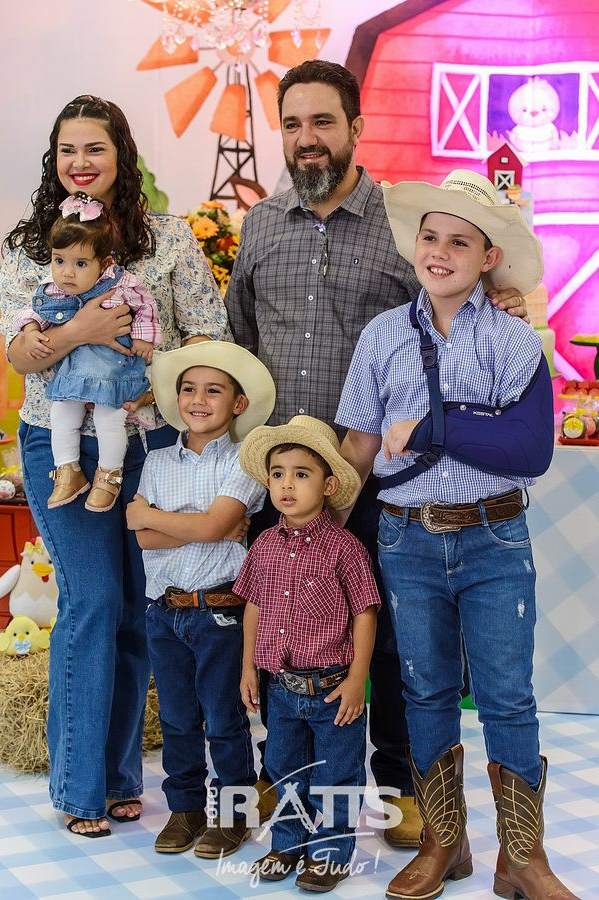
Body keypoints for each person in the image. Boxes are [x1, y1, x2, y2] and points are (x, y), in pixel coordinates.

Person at [225, 58, 529, 845]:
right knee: (284, 627)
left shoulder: (400, 226)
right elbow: (241, 340)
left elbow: (447, 302)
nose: (307, 138)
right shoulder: (260, 226)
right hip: (282, 477)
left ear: (356, 128)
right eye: (293, 124)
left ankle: (401, 786)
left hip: (376, 478)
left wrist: (501, 300)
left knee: (388, 634)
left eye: (323, 122)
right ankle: (289, 778)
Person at [337, 170, 579, 900]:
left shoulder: (514, 339)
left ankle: (523, 858)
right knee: (424, 690)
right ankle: (445, 842)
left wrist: (430, 431)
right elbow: (360, 444)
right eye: (431, 237)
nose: (440, 252)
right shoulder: (382, 336)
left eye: (460, 243)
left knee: (507, 696)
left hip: (493, 539)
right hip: (406, 540)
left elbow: (529, 450)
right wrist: (326, 525)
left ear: (488, 258)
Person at [0, 95, 228, 837]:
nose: (81, 162)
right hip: (59, 443)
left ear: (121, 156)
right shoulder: (27, 245)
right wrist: (88, 328)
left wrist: (153, 375)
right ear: (53, 159)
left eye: (95, 148)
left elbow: (210, 335)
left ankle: (122, 778)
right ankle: (78, 789)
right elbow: (20, 353)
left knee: (135, 608)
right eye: (68, 150)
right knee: (92, 601)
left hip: (149, 445)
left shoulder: (168, 239)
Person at [126, 341, 275, 856]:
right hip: (164, 611)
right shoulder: (156, 460)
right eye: (189, 389)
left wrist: (164, 520)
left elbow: (206, 525)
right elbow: (142, 537)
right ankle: (185, 809)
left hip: (220, 613)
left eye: (214, 390)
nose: (198, 399)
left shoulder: (246, 461)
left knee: (225, 719)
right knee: (176, 719)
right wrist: (206, 527)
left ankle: (233, 815)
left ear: (238, 403)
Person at [235, 415, 380, 893]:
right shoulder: (264, 545)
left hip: (333, 689)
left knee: (337, 775)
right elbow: (254, 605)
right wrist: (249, 668)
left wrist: (357, 679)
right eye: (278, 474)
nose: (287, 485)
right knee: (284, 769)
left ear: (328, 485)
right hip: (282, 688)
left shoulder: (345, 548)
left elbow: (364, 613)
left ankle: (332, 852)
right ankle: (287, 843)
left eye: (301, 474)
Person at [14, 192, 162, 512]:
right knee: (61, 413)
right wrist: (31, 330)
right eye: (59, 261)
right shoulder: (53, 289)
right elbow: (32, 310)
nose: (67, 273)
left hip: (114, 370)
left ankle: (109, 475)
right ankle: (68, 470)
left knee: (110, 421)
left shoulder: (121, 286)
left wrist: (144, 339)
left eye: (80, 264)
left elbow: (146, 307)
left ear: (104, 263)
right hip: (73, 372)